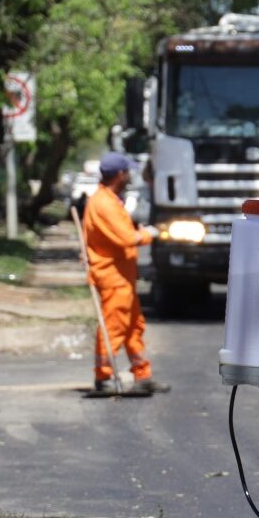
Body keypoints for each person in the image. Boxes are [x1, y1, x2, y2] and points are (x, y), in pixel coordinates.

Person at [82, 152, 167, 397]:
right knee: (113, 327)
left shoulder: (109, 199)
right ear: (120, 174)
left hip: (123, 277)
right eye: (127, 172)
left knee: (133, 327)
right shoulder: (104, 204)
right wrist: (150, 233)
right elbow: (126, 239)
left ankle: (142, 374)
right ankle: (104, 376)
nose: (130, 176)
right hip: (112, 277)